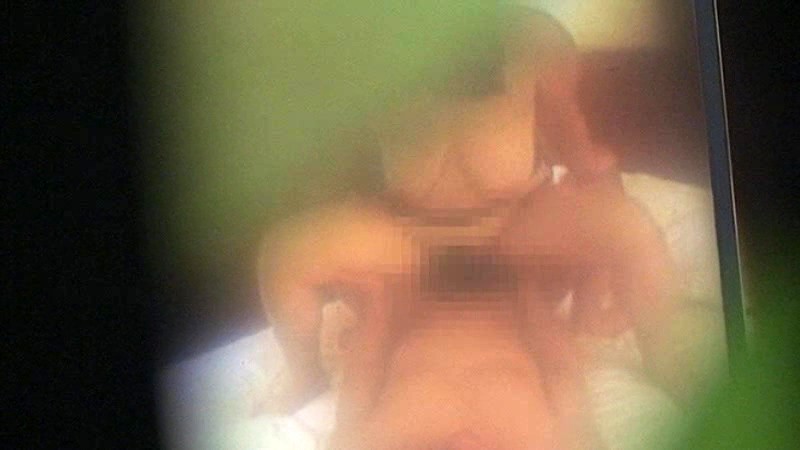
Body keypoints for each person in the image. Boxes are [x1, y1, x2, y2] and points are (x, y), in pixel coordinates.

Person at [257, 7, 673, 449]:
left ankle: (664, 347)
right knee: (287, 253)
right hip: (411, 243)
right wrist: (336, 224)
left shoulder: (538, 42)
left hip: (514, 236)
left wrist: (596, 260)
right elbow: (337, 157)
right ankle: (306, 374)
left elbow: (578, 151)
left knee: (628, 226)